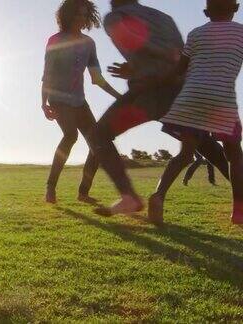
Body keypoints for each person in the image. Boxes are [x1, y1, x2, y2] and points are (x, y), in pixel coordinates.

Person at [91, 0, 231, 216]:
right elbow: (183, 55)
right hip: (179, 88)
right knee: (205, 143)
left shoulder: (114, 17)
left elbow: (132, 41)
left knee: (99, 134)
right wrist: (141, 65)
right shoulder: (164, 17)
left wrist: (160, 58)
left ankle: (129, 197)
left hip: (149, 91)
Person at [149, 0, 243, 225]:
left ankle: (158, 194)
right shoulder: (240, 32)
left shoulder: (195, 34)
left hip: (191, 96)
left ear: (206, 12)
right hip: (221, 99)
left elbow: (179, 70)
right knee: (235, 156)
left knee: (185, 154)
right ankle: (239, 211)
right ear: (235, 8)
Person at [41, 0, 121, 204]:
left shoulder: (88, 44)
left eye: (85, 15)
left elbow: (97, 78)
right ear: (67, 16)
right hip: (58, 98)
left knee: (98, 143)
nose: (82, 18)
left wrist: (121, 97)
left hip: (79, 100)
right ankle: (50, 188)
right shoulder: (56, 40)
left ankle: (83, 193)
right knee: (71, 135)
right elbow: (47, 74)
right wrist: (44, 103)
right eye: (78, 14)